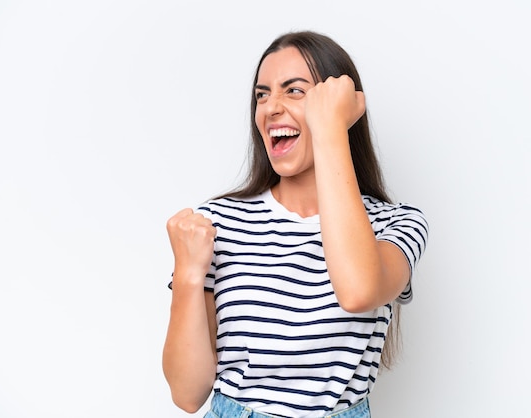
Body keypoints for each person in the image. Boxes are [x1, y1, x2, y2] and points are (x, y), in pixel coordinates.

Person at [162, 30, 428, 418]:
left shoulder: (397, 224)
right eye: (262, 94)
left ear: (335, 109)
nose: (270, 108)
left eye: (295, 91)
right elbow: (187, 394)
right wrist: (188, 275)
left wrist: (330, 130)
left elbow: (357, 292)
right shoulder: (217, 223)